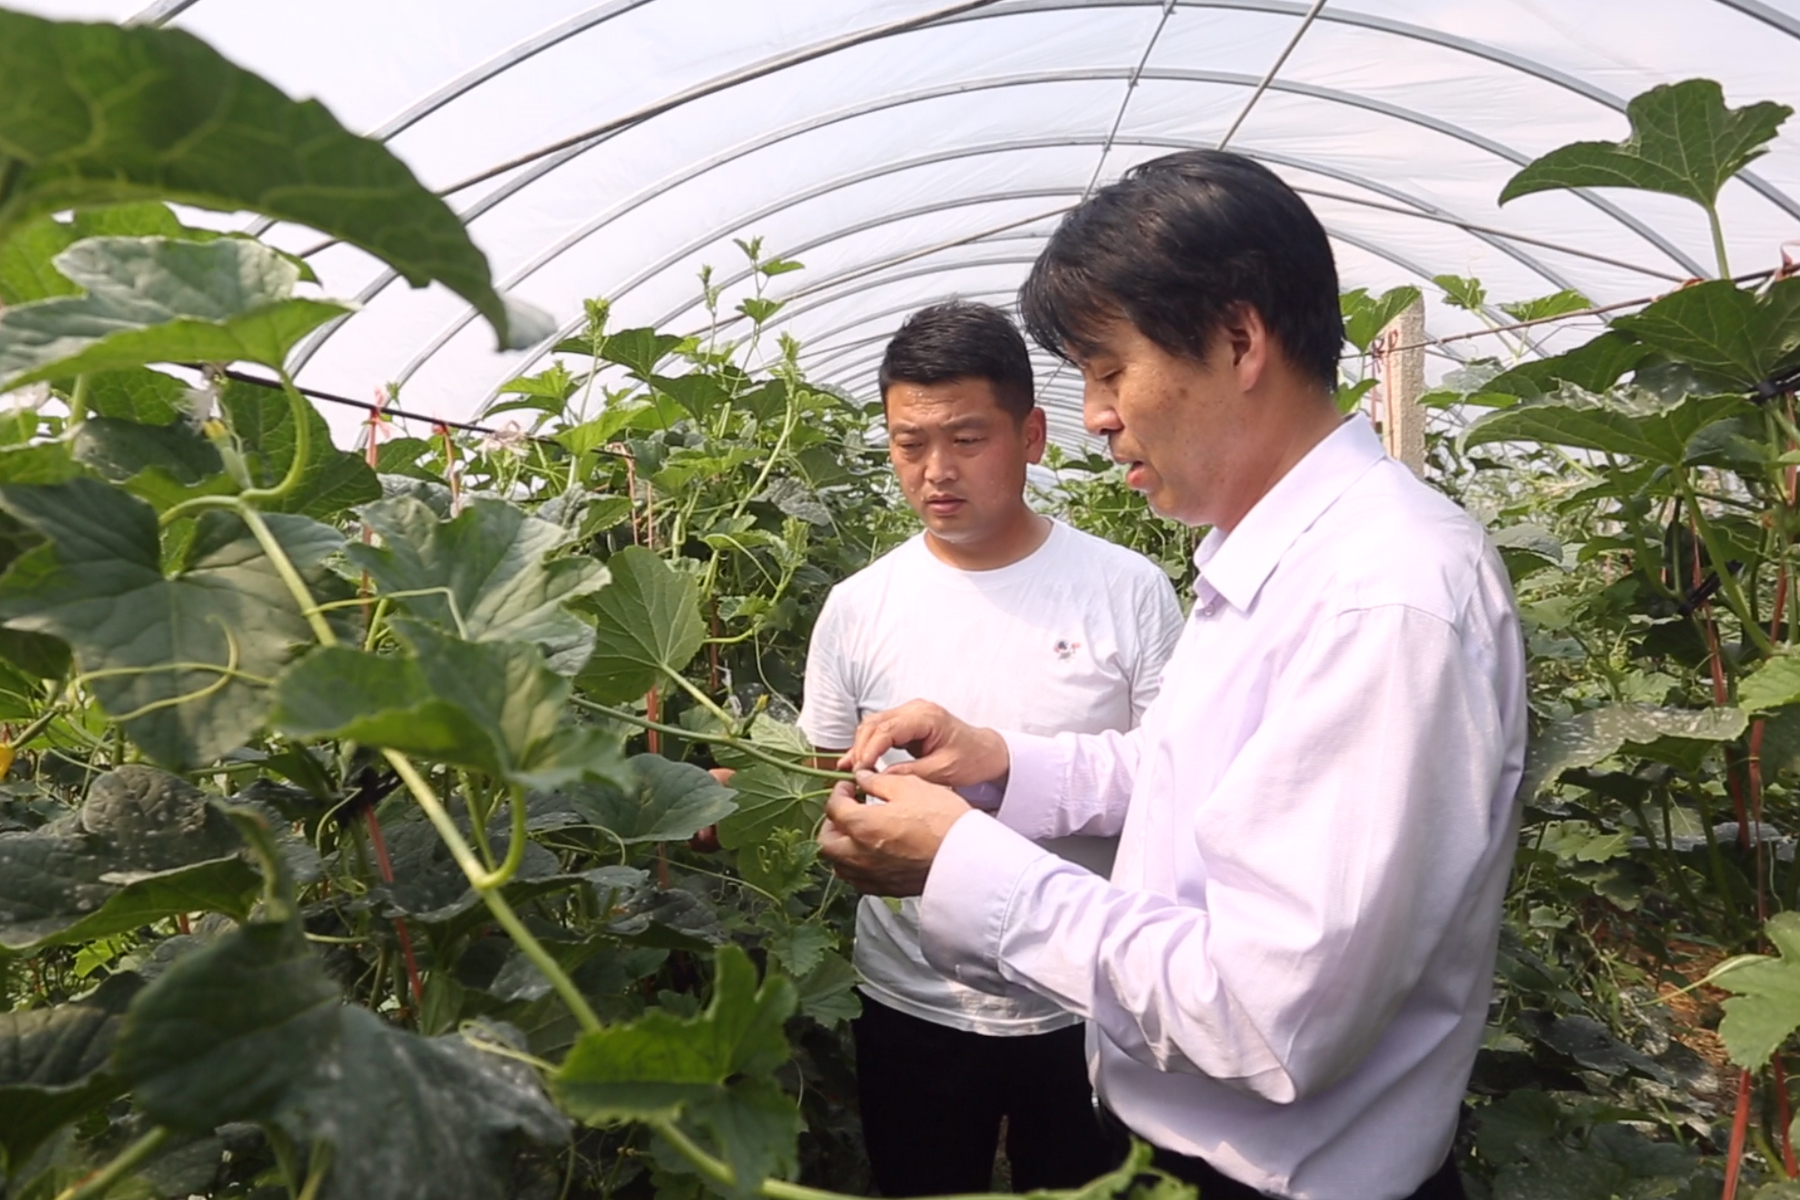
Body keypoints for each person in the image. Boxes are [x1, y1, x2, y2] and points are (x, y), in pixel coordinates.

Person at [816, 152, 1526, 1200]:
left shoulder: (1383, 597)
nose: (1098, 414)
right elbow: (1193, 778)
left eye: (1110, 370)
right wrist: (1003, 765)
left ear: (1240, 340)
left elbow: (1269, 1017)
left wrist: (964, 862)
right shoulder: (1280, 562)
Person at [798, 300, 1183, 1197]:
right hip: (911, 995)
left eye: (967, 439)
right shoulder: (858, 606)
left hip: (1085, 991)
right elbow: (827, 778)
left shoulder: (1127, 590)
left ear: (1032, 436)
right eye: (909, 443)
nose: (936, 470)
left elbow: (1176, 783)